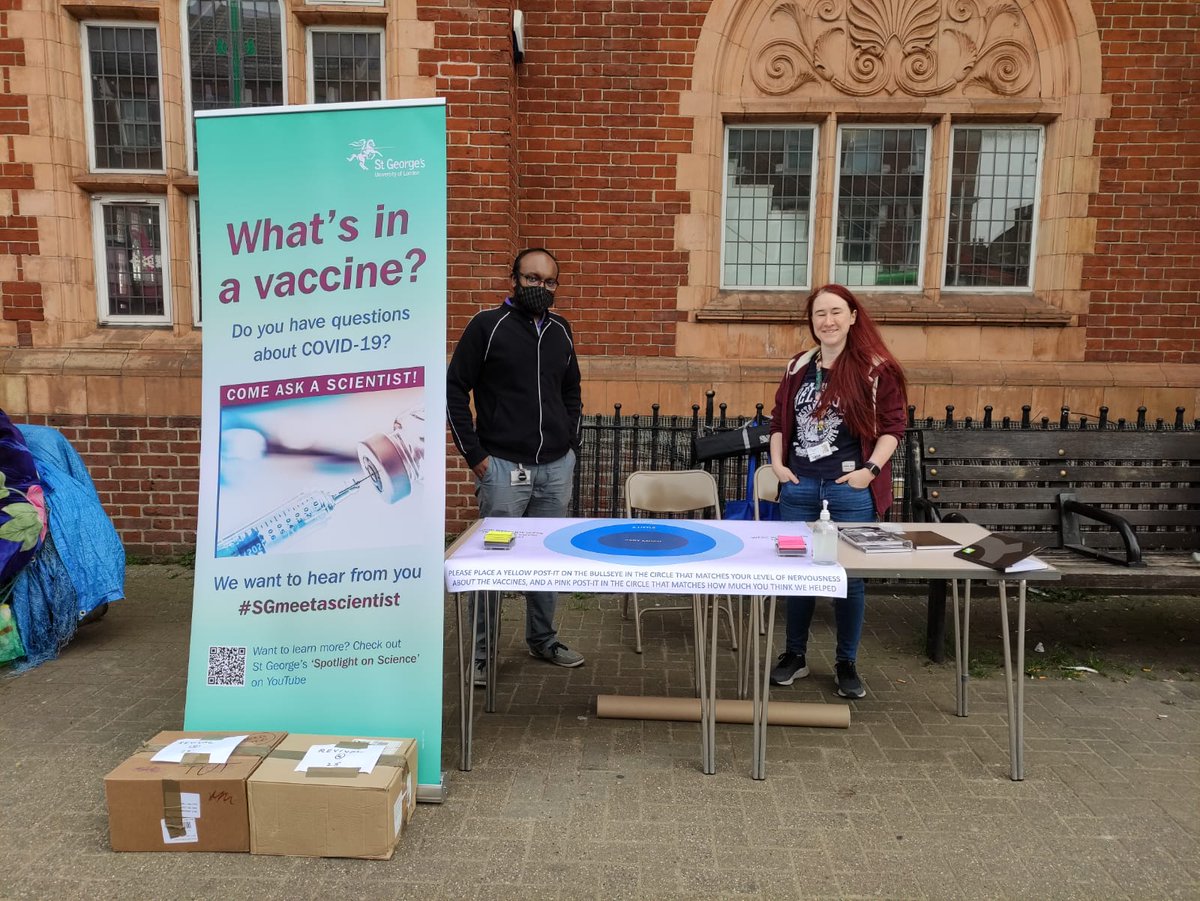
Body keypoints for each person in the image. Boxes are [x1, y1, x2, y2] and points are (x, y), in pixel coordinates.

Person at [447, 248, 584, 685]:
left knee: (545, 560)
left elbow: (572, 390)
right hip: (503, 469)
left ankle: (542, 639)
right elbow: (454, 389)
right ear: (514, 279)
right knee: (491, 565)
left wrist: (570, 439)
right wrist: (477, 458)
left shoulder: (561, 330)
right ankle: (482, 655)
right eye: (531, 279)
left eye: (548, 282)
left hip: (555, 469)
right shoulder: (488, 326)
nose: (539, 289)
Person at [767, 284, 907, 699]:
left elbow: (893, 427)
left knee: (849, 578)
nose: (826, 321)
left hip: (849, 489)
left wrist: (869, 471)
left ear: (852, 317)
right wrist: (778, 465)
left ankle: (846, 662)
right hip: (799, 486)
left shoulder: (875, 369)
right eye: (819, 314)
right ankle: (795, 655)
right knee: (798, 575)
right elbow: (778, 420)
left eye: (835, 312)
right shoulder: (798, 366)